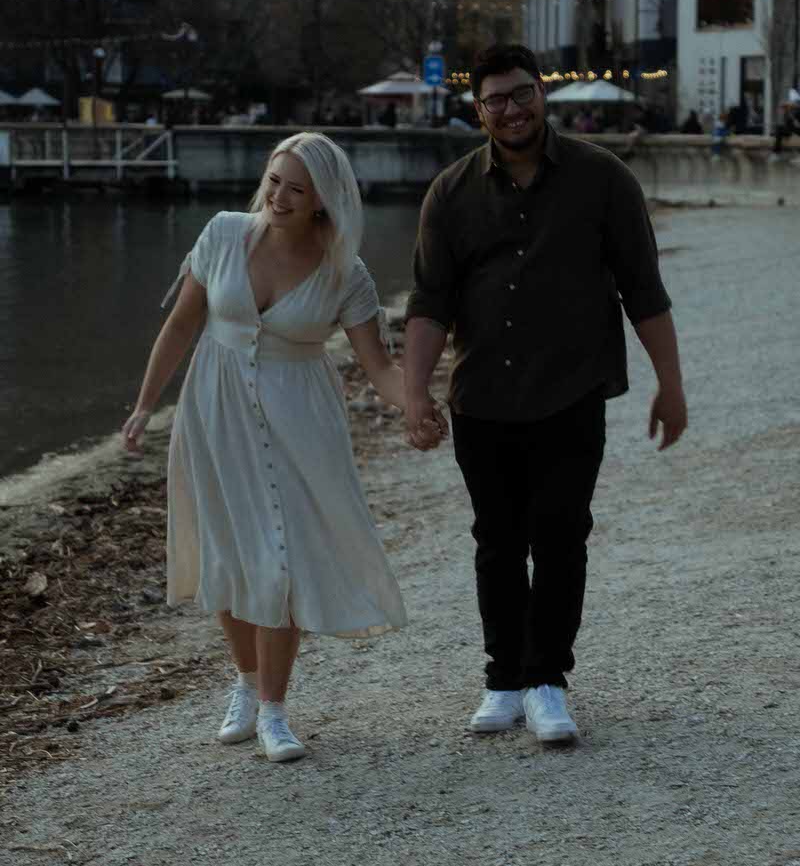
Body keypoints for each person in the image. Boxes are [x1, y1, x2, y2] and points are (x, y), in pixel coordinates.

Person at [123, 132, 446, 764]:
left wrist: (416, 405)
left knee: (281, 561)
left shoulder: (346, 272)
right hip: (214, 412)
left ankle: (274, 709)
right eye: (275, 181)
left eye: (297, 189)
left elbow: (378, 367)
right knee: (227, 556)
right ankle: (246, 683)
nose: (279, 197)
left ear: (324, 200)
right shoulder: (223, 234)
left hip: (300, 422)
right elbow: (182, 324)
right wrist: (143, 406)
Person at [404, 44, 687, 746]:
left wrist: (671, 384)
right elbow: (431, 303)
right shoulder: (450, 193)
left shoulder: (603, 179)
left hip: (571, 391)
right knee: (496, 542)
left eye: (522, 93)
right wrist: (415, 395)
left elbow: (643, 290)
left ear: (542, 94)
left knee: (561, 535)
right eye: (496, 99)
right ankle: (504, 678)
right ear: (479, 111)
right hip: (482, 397)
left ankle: (547, 680)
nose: (512, 109)